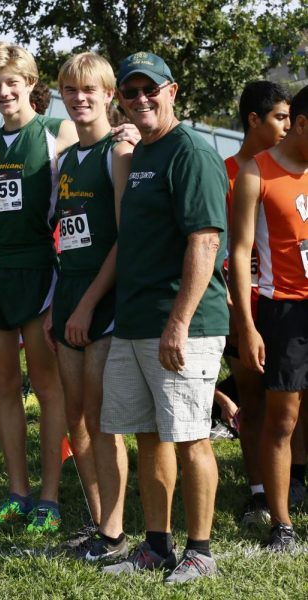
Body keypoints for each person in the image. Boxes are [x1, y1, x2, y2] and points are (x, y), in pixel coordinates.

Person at [100, 52, 228, 584]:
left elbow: (205, 240)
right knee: (149, 435)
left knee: (192, 435)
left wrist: (178, 322)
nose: (140, 99)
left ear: (172, 91)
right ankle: (157, 544)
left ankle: (200, 551)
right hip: (134, 321)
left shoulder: (191, 150)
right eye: (129, 93)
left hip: (183, 326)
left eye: (149, 89)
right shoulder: (144, 152)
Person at [0, 43, 76, 533]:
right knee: (5, 386)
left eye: (12, 81)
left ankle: (50, 499)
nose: (3, 91)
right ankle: (18, 492)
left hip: (38, 273)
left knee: (48, 388)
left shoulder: (58, 132)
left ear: (32, 83)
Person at [43, 52, 133, 559]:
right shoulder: (67, 159)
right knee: (75, 417)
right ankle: (101, 521)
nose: (79, 99)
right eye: (71, 91)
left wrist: (87, 305)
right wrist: (63, 304)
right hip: (71, 294)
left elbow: (124, 238)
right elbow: (66, 236)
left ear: (107, 95)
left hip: (105, 300)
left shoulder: (118, 151)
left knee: (102, 421)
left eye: (89, 91)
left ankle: (116, 533)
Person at [230, 84, 308, 553]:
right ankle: (281, 524)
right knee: (283, 419)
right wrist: (248, 324)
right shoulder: (255, 173)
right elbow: (239, 254)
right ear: (301, 124)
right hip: (282, 308)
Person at [224, 80, 291, 530]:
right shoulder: (225, 171)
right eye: (279, 118)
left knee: (291, 403)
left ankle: (293, 481)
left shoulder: (291, 170)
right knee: (251, 399)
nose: (287, 127)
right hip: (240, 306)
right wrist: (234, 309)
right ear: (254, 120)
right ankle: (257, 493)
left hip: (284, 306)